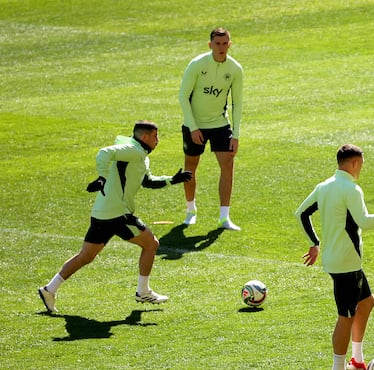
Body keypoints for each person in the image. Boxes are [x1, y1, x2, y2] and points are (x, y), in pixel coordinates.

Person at [37, 121, 192, 313]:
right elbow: (104, 152)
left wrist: (172, 180)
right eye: (155, 136)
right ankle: (143, 291)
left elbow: (148, 182)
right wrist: (102, 177)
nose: (157, 141)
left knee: (86, 256)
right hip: (118, 214)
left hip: (102, 212)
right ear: (145, 137)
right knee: (151, 244)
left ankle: (49, 289)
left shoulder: (139, 155)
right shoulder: (133, 150)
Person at [295, 144, 374, 370]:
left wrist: (314, 243)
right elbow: (365, 223)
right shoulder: (351, 189)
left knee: (367, 302)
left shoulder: (324, 186)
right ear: (355, 163)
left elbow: (301, 213)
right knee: (345, 316)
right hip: (346, 263)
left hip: (340, 260)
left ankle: (356, 360)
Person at [179, 27, 244, 231]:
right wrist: (193, 127)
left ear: (230, 44)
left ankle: (224, 218)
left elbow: (238, 103)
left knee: (228, 166)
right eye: (217, 44)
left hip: (220, 124)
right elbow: (183, 96)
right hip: (195, 126)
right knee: (191, 166)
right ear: (210, 45)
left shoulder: (235, 69)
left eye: (225, 44)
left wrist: (236, 134)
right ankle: (191, 211)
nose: (221, 48)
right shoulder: (197, 64)